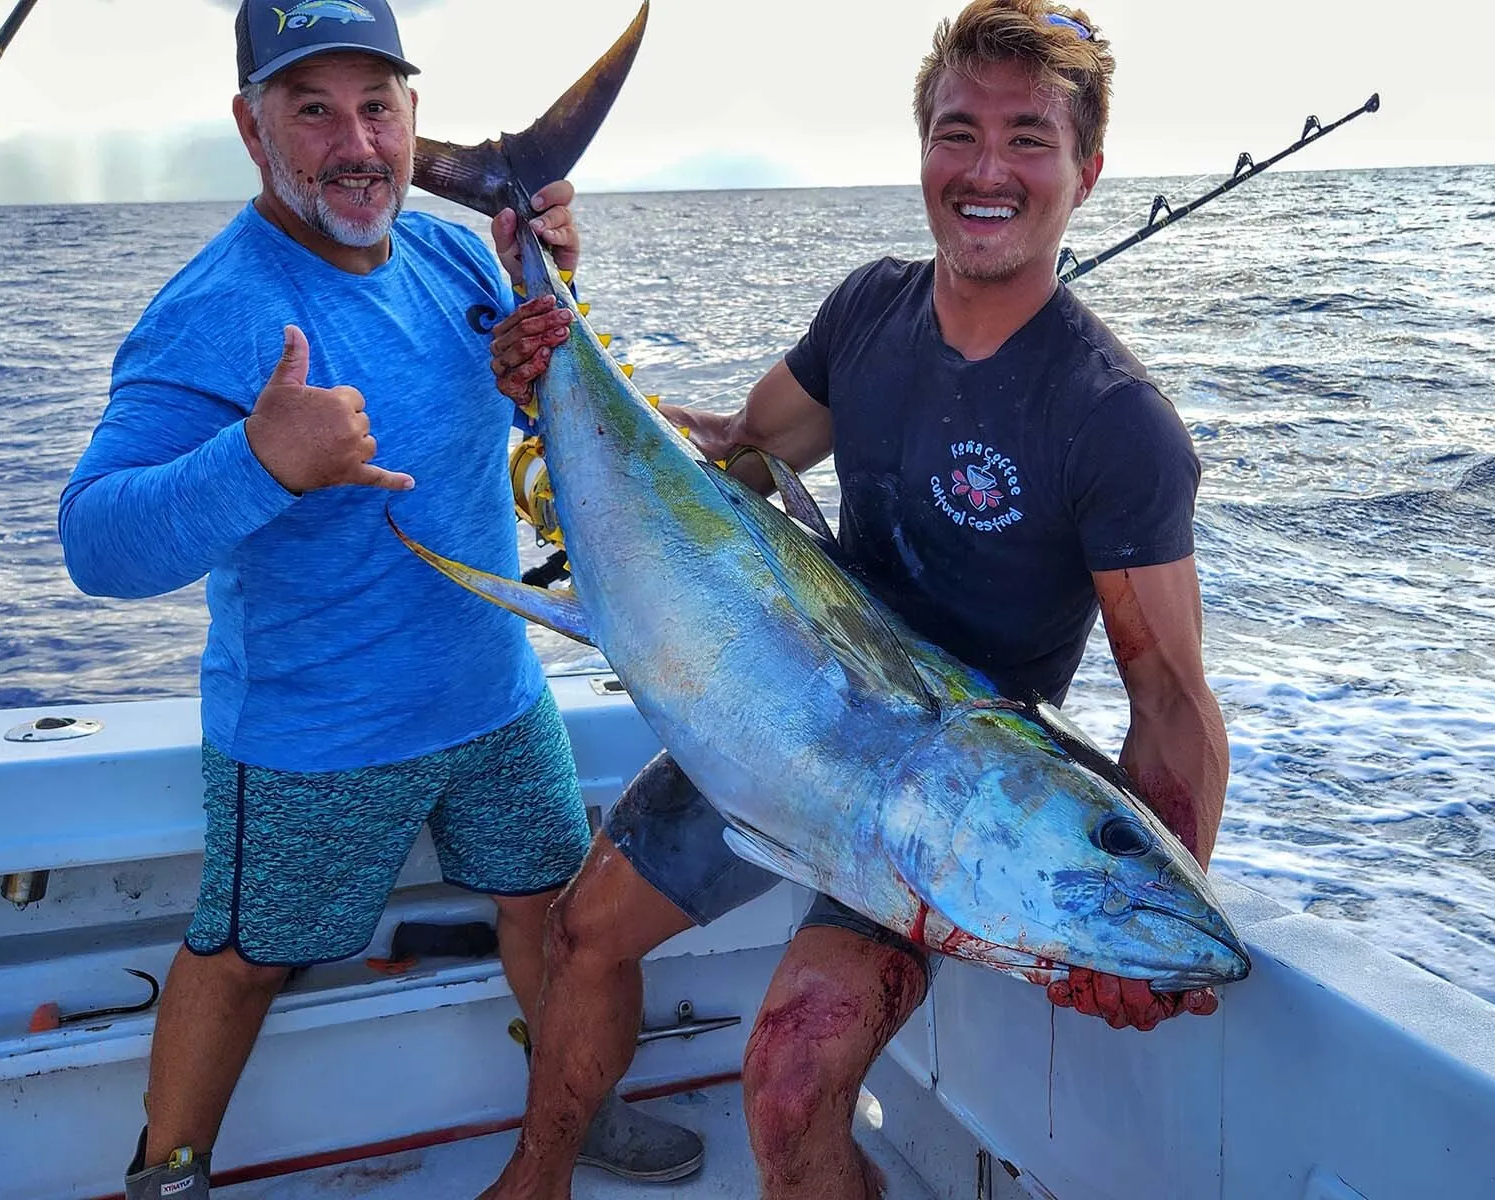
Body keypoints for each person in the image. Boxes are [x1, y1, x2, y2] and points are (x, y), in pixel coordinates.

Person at [478, 1, 1230, 1197]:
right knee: (579, 935)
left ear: (1088, 171)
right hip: (778, 705)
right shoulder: (871, 308)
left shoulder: (1113, 421)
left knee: (785, 1084)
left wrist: (1135, 927)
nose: (987, 170)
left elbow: (1174, 705)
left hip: (937, 809)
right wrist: (559, 359)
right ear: (921, 146)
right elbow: (730, 453)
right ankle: (538, 1178)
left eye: (1029, 138)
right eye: (957, 131)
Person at [58, 3, 700, 1197]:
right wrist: (258, 459)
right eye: (312, 109)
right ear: (253, 131)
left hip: (496, 697)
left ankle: (578, 1106)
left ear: (414, 117)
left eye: (377, 105)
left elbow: (532, 418)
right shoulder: (210, 312)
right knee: (245, 959)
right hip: (312, 739)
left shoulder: (458, 256)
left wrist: (548, 328)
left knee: (550, 916)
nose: (355, 142)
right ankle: (166, 1176)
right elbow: (95, 542)